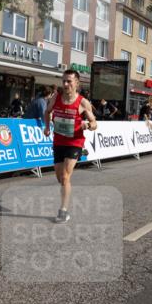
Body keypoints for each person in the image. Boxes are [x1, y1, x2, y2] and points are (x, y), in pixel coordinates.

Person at [43, 69, 98, 223]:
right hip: (58, 141)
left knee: (66, 177)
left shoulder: (82, 102)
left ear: (76, 83)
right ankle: (66, 196)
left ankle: (63, 210)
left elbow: (95, 123)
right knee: (60, 178)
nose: (65, 84)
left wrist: (88, 125)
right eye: (64, 81)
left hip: (74, 143)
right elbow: (47, 112)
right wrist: (47, 127)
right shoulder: (56, 97)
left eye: (69, 81)